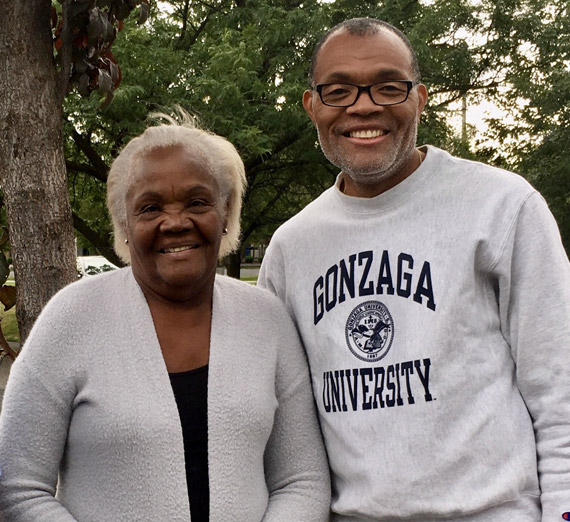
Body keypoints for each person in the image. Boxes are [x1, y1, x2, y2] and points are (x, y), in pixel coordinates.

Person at [258, 17, 570, 522]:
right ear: (311, 106)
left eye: (388, 86)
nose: (364, 105)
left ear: (420, 99)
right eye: (338, 91)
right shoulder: (291, 247)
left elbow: (560, 390)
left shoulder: (501, 207)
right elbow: (284, 428)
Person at [0, 113, 331, 521]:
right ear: (123, 223)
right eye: (150, 207)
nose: (175, 222)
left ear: (225, 214)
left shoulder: (268, 321)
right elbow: (16, 487)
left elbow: (302, 479)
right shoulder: (70, 320)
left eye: (196, 202)